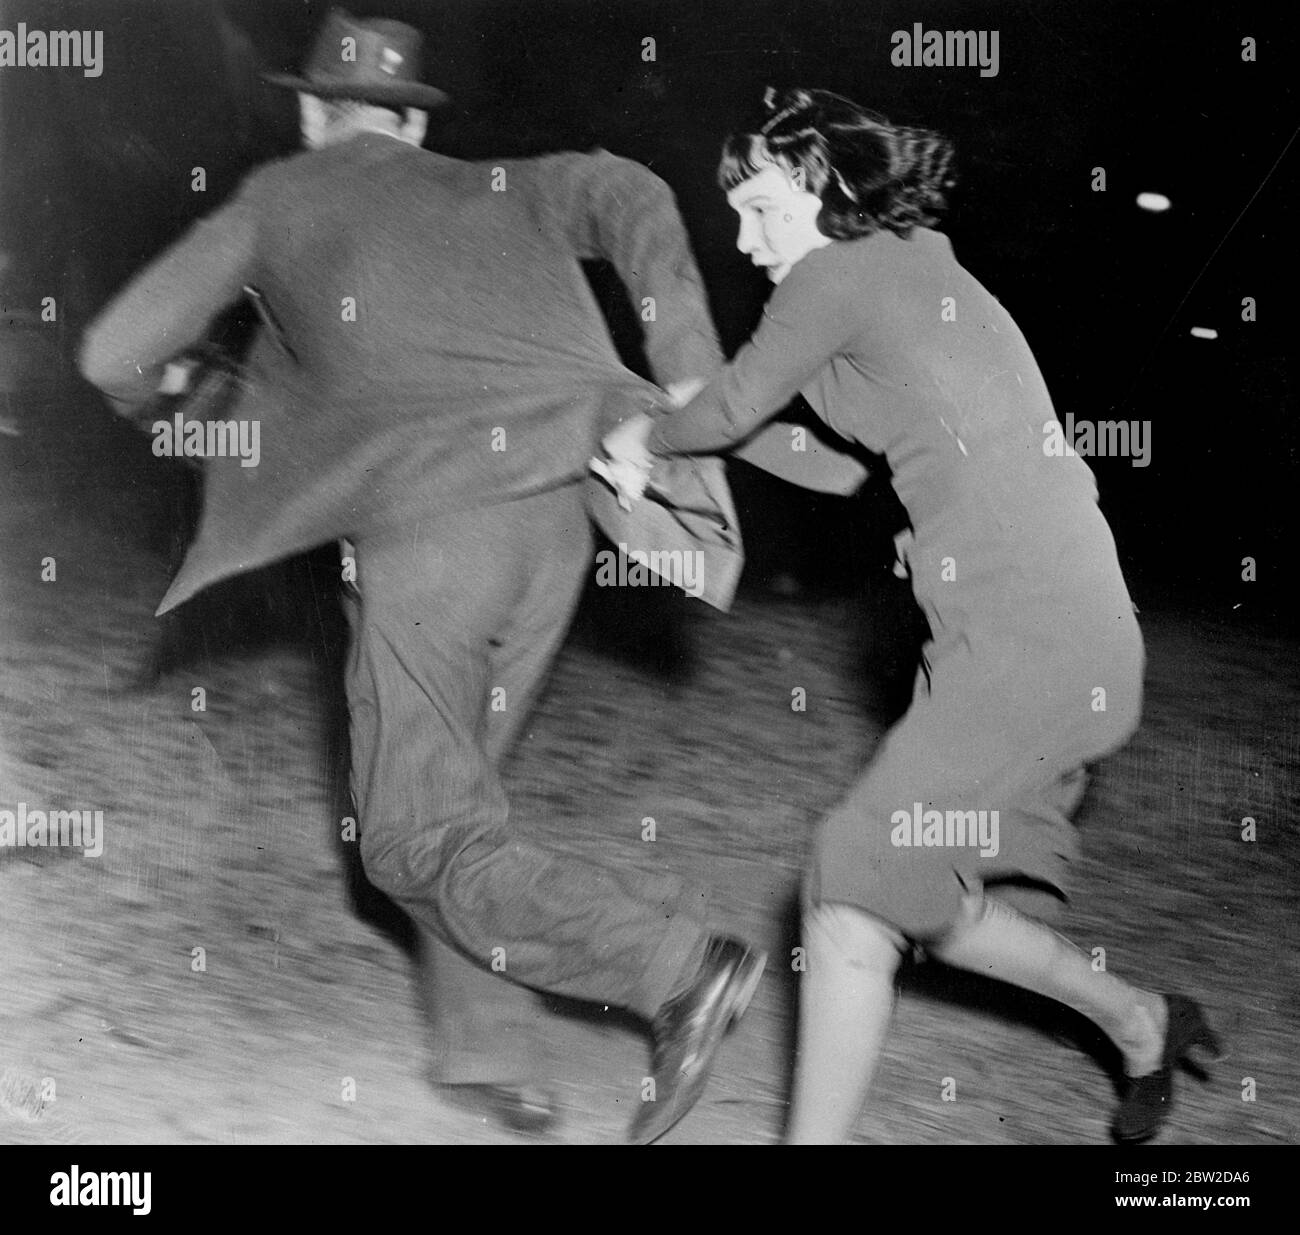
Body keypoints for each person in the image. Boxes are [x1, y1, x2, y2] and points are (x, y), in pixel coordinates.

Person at [78, 9, 766, 1143]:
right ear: (408, 118)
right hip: (570, 506)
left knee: (412, 838)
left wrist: (166, 402)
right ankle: (492, 1052)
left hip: (431, 528)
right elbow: (634, 190)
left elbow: (110, 351)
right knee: (458, 793)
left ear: (314, 111)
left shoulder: (277, 197)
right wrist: (688, 379)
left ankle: (677, 962)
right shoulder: (508, 182)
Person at [603, 87, 1220, 1144]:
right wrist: (678, 425)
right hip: (1038, 632)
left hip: (1028, 637)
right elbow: (835, 469)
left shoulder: (838, 276)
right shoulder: (912, 271)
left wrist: (647, 436)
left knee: (848, 883)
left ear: (825, 185)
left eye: (760, 208)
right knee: (908, 890)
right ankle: (1143, 1019)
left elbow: (734, 406)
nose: (745, 240)